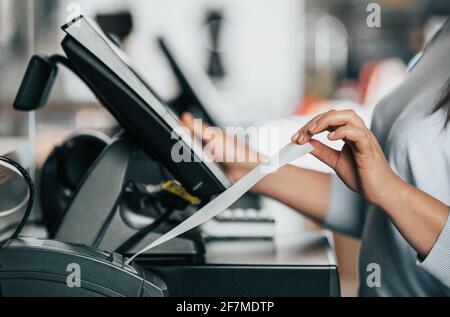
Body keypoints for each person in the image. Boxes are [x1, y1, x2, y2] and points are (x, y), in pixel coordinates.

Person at [180, 21, 450, 296]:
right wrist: (246, 168)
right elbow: (376, 214)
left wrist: (391, 191)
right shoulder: (443, 37)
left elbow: (390, 195)